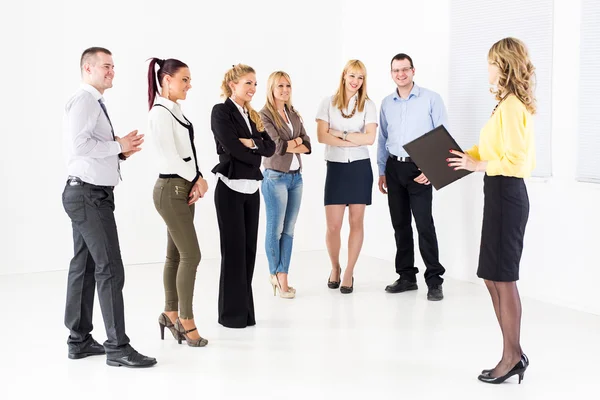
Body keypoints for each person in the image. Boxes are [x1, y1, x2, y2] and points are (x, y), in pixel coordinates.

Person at [62, 47, 156, 367]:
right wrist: (118, 145)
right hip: (89, 197)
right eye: (106, 66)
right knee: (110, 269)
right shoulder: (85, 100)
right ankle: (117, 347)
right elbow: (79, 146)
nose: (112, 71)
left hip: (86, 193)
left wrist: (119, 152)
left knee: (86, 267)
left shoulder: (92, 102)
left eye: (113, 66)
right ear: (88, 69)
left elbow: (89, 148)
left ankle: (79, 340)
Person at [448, 37, 535, 384]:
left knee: (504, 277)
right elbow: (485, 149)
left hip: (508, 194)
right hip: (497, 194)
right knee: (490, 274)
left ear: (504, 66)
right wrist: (446, 163)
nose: (487, 69)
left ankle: (512, 355)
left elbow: (515, 161)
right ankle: (511, 352)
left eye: (491, 63)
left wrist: (477, 164)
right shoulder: (503, 105)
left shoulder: (513, 107)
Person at [147, 57, 209, 347]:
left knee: (176, 255)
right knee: (191, 256)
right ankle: (186, 320)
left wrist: (195, 179)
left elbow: (185, 153)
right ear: (166, 80)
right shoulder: (160, 113)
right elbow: (171, 157)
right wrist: (198, 178)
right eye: (184, 79)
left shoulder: (175, 110)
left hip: (182, 188)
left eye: (189, 79)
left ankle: (170, 313)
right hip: (172, 189)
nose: (189, 84)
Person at [377, 53, 447, 301]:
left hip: (420, 170)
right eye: (396, 70)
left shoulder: (431, 99)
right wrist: (382, 171)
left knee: (424, 224)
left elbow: (443, 135)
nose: (401, 74)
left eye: (405, 69)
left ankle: (434, 280)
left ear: (413, 71)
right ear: (392, 73)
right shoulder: (386, 103)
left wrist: (432, 169)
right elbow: (383, 139)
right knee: (400, 225)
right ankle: (407, 276)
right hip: (395, 169)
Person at [211, 64, 276, 328]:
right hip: (230, 189)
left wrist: (250, 143)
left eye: (255, 84)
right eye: (248, 83)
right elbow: (232, 149)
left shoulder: (253, 115)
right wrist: (252, 147)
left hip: (252, 189)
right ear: (232, 85)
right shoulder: (221, 111)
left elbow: (270, 148)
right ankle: (230, 316)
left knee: (249, 252)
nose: (253, 88)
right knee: (233, 253)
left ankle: (246, 313)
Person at [316, 59, 377, 294]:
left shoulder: (368, 105)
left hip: (360, 167)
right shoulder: (328, 103)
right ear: (344, 76)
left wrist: (339, 133)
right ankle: (335, 267)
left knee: (356, 222)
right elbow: (322, 137)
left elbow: (369, 139)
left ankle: (349, 271)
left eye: (360, 77)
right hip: (336, 167)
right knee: (333, 226)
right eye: (352, 76)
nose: (355, 81)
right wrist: (353, 136)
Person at [259, 71, 312, 299]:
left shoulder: (293, 113)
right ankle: (276, 275)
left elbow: (308, 144)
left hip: (295, 177)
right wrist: (296, 141)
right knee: (276, 228)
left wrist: (298, 141)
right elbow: (276, 147)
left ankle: (284, 274)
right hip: (275, 177)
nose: (284, 89)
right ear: (271, 88)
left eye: (288, 85)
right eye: (280, 86)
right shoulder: (264, 115)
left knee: (289, 230)